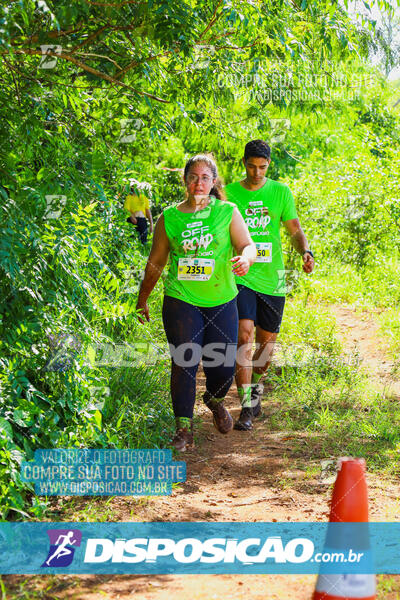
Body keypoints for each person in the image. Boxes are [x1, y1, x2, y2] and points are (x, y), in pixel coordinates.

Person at [136, 154, 256, 451]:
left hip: (222, 299)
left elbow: (247, 244)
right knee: (184, 360)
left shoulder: (227, 212)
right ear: (185, 181)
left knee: (223, 366)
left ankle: (214, 400)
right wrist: (143, 298)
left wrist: (246, 259)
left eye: (205, 177)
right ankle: (183, 429)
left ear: (213, 182)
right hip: (181, 299)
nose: (198, 183)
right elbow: (155, 263)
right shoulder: (169, 218)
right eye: (193, 177)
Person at [225, 139, 315, 431]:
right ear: (244, 164)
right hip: (241, 274)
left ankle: (255, 388)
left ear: (269, 166)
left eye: (262, 167)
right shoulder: (229, 194)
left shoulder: (280, 192)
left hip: (273, 279)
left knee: (265, 351)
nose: (256, 172)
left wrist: (305, 251)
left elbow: (294, 229)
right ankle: (246, 408)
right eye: (251, 167)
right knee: (244, 334)